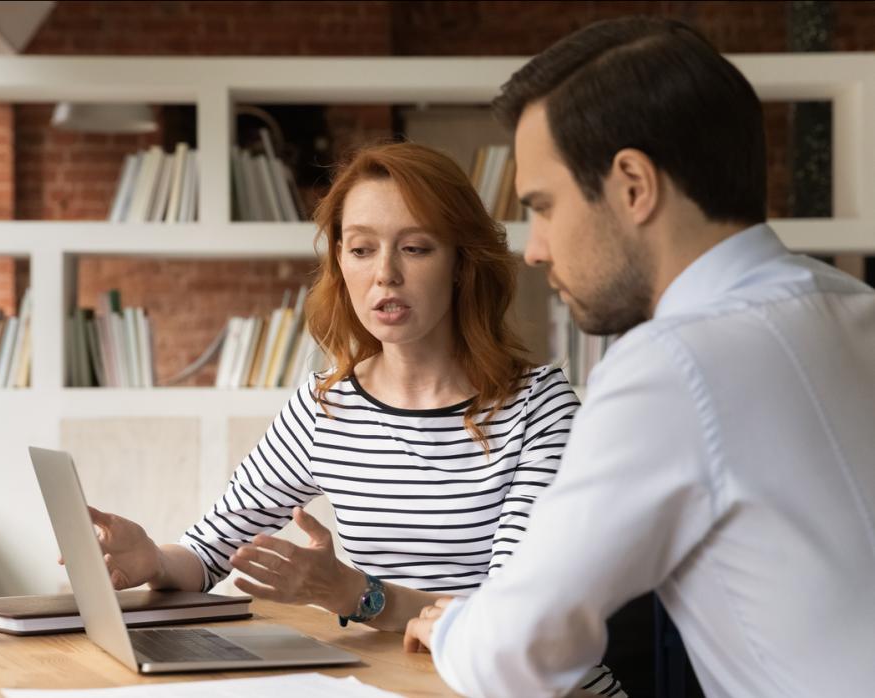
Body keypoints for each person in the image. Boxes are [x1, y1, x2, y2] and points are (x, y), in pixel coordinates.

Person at [403, 16, 875, 698]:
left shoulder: (675, 363)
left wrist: (455, 629)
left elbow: (515, 654)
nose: (533, 249)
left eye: (543, 205)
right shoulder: (854, 303)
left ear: (632, 184)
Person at [83, 142, 621, 694]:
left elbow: (512, 626)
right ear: (340, 261)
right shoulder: (326, 406)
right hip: (400, 686)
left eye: (415, 248)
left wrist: (356, 594)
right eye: (361, 249)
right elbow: (208, 551)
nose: (385, 275)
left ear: (461, 262)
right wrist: (152, 559)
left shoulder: (540, 409)